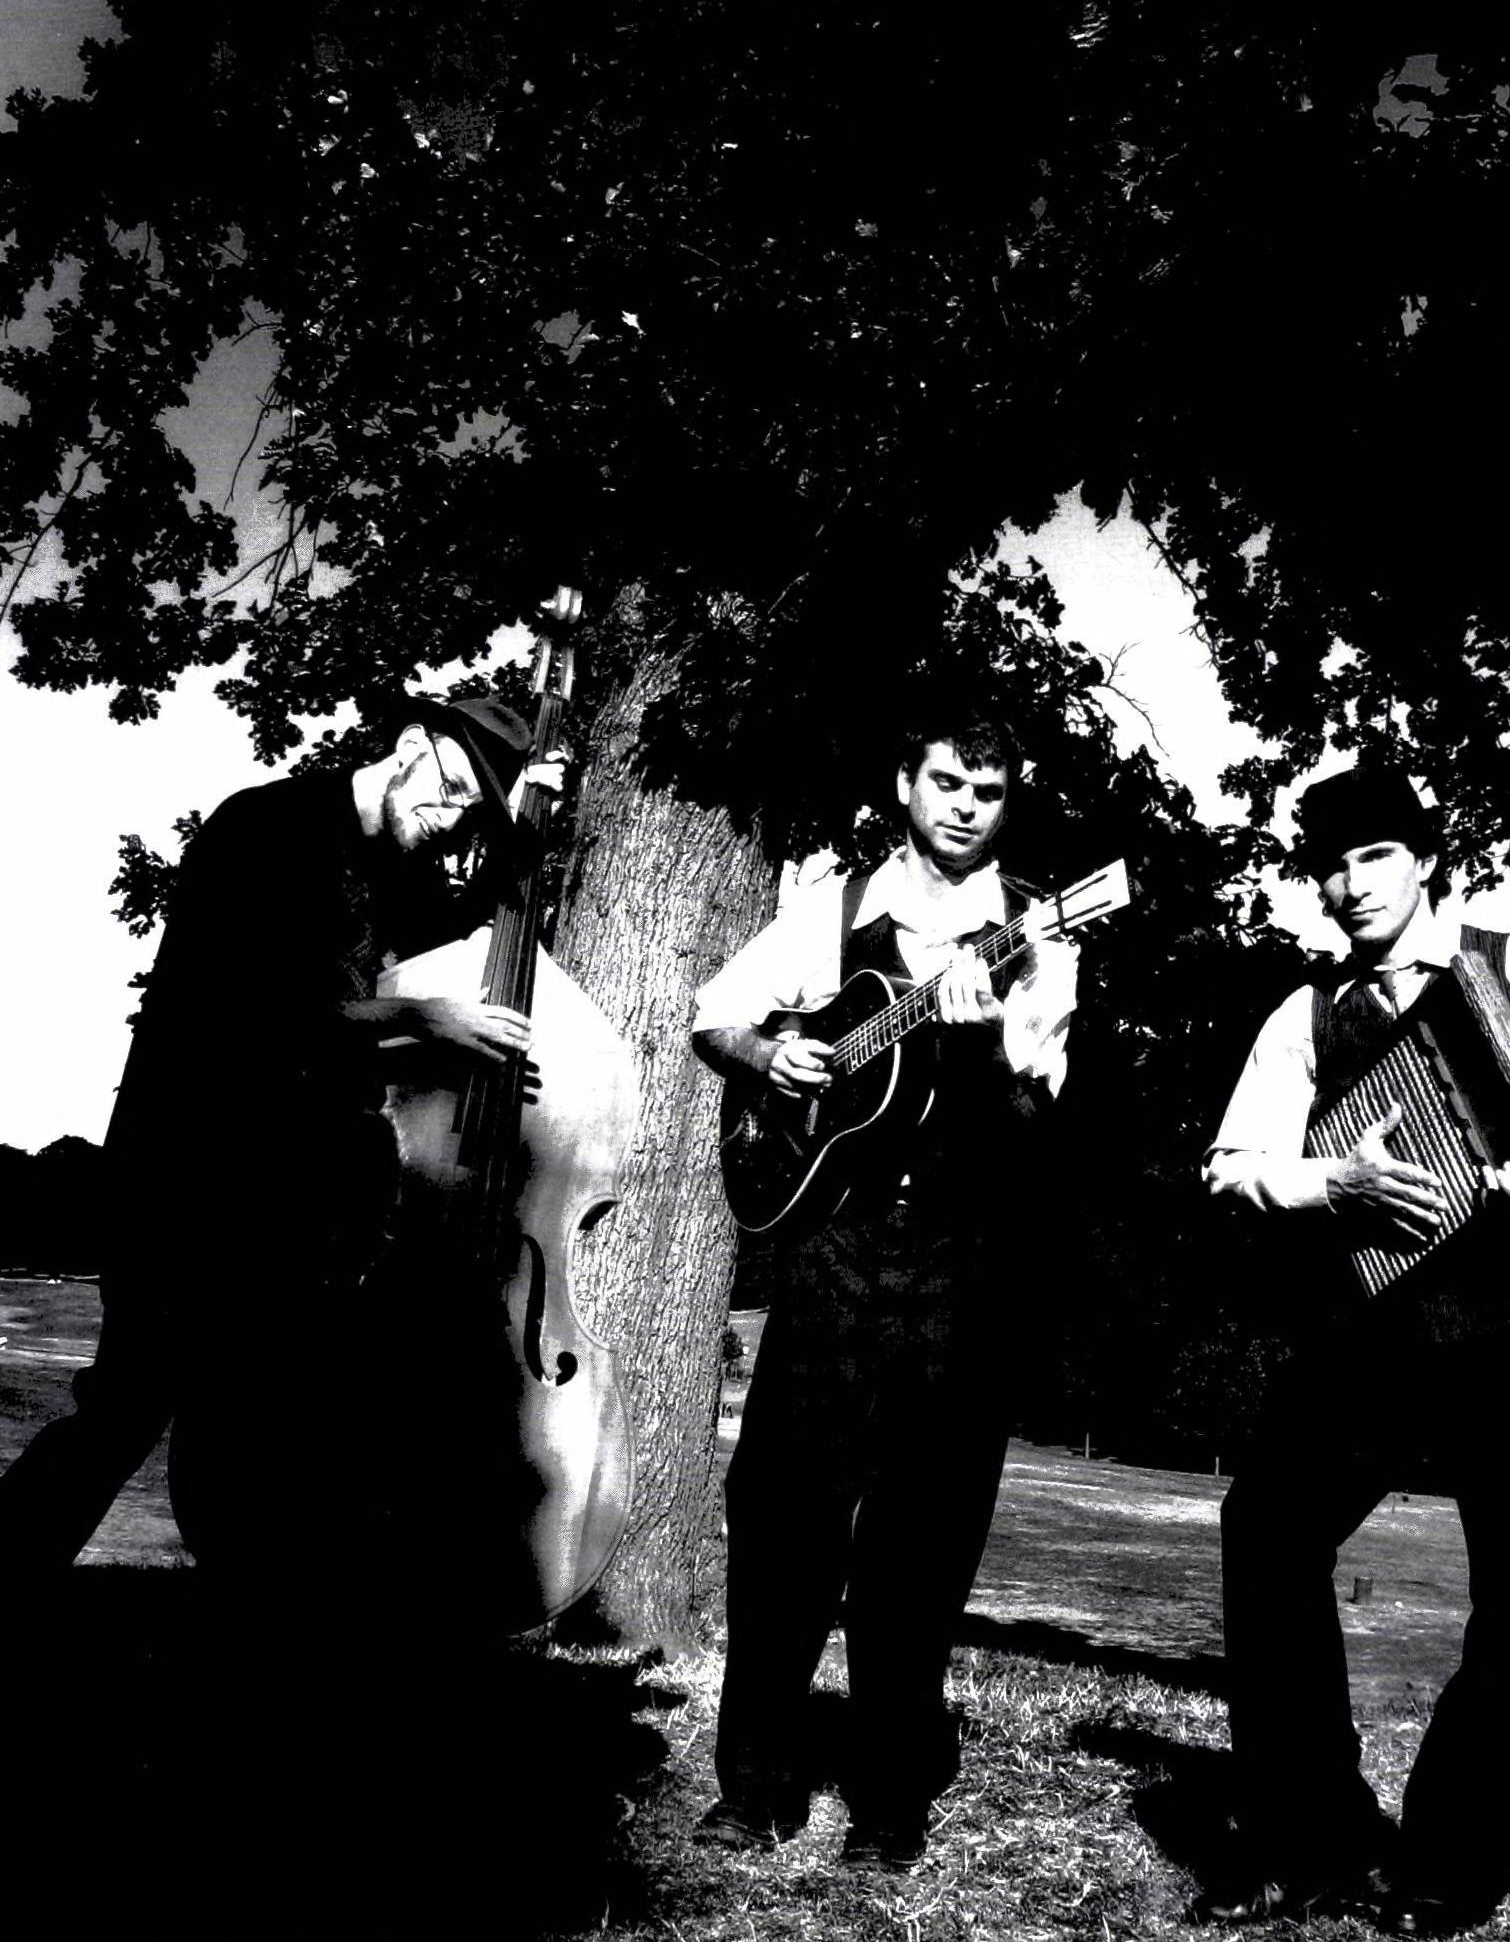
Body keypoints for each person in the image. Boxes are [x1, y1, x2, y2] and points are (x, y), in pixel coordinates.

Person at [1201, 762, 1510, 1936]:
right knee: (1268, 1528)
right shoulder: (1306, 1014)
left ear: (1425, 862)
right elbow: (1232, 1164)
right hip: (1374, 1327)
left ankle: (1449, 1868)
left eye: (1375, 856)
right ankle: (1310, 1837)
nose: (1352, 883)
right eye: (1331, 865)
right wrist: (1333, 1181)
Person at [0, 694, 557, 1588]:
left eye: (471, 813)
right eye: (452, 788)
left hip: (296, 1197)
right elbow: (245, 1008)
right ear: (410, 744)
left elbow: (465, 937)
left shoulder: (402, 872)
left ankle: (246, 1634)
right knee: (125, 1409)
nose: (451, 818)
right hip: (185, 1173)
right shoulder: (263, 827)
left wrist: (528, 826)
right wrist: (417, 1017)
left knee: (253, 1431)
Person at [691, 709, 1080, 1870]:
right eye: (948, 781)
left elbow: (1038, 1122)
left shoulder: (1041, 934)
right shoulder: (836, 905)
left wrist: (988, 1049)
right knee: (783, 1516)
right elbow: (716, 1018)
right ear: (907, 781)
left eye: (989, 792)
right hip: (834, 1242)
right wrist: (773, 1057)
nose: (966, 806)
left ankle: (890, 1803)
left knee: (924, 1530)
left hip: (963, 1259)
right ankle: (754, 1787)